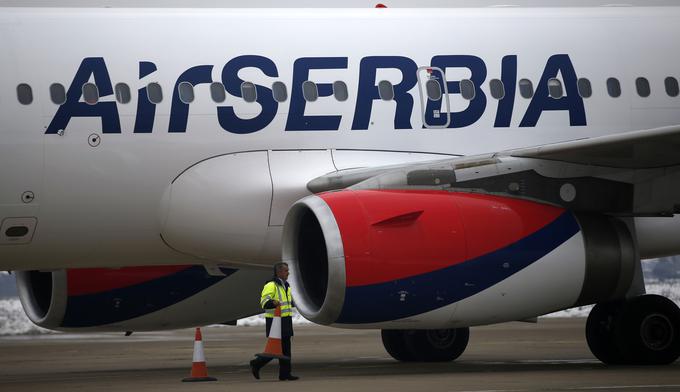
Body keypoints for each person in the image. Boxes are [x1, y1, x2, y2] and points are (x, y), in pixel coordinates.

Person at [249, 262, 299, 381]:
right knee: (275, 350)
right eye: (286, 271)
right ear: (279, 272)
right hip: (275, 323)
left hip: (285, 321)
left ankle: (285, 374)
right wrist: (272, 303)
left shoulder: (286, 285)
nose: (288, 273)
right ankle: (256, 363)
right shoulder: (271, 285)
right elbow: (264, 302)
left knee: (286, 350)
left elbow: (287, 304)